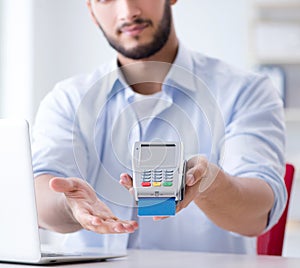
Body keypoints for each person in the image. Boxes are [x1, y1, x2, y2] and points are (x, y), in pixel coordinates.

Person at [32, 0, 286, 254]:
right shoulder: (68, 99)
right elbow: (40, 193)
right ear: (91, 10)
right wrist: (71, 206)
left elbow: (258, 215)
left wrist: (209, 183)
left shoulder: (246, 92)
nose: (128, 11)